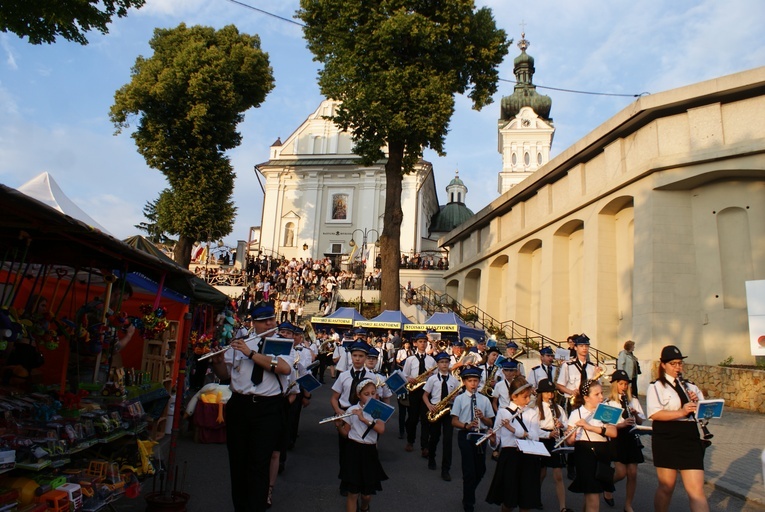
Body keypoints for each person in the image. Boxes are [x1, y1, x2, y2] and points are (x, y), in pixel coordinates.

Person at [210, 302, 291, 512]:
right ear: (253, 323)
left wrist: (251, 354)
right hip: (240, 405)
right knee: (237, 462)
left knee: (259, 464)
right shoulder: (240, 343)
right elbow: (224, 376)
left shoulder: (282, 343)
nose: (269, 324)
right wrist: (217, 361)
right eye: (264, 321)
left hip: (267, 408)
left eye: (271, 320)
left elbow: (283, 368)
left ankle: (256, 508)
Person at [646, 345, 710, 512]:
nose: (677, 367)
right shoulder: (656, 387)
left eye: (680, 363)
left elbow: (703, 415)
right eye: (673, 364)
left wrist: (698, 404)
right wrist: (681, 411)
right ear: (663, 365)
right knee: (667, 487)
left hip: (689, 435)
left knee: (696, 491)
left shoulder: (691, 386)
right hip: (666, 436)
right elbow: (654, 414)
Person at [485, 376, 541, 512]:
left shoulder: (532, 413)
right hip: (510, 457)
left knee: (525, 501)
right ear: (514, 396)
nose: (528, 400)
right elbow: (498, 440)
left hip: (528, 456)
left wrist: (514, 430)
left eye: (529, 397)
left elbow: (535, 437)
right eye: (525, 397)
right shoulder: (503, 412)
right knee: (508, 500)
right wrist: (492, 440)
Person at [335, 379, 388, 512]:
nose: (371, 396)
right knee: (352, 493)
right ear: (359, 395)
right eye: (366, 394)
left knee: (366, 495)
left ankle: (364, 507)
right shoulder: (352, 409)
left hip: (369, 451)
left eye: (373, 393)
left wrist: (364, 419)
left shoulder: (378, 409)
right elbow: (345, 434)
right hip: (353, 450)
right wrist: (339, 426)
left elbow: (381, 429)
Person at [565, 378, 617, 512]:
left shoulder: (605, 410)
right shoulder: (576, 413)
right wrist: (570, 436)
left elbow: (613, 432)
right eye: (597, 394)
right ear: (586, 398)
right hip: (585, 454)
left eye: (601, 393)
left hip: (603, 453)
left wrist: (590, 427)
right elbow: (569, 441)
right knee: (593, 497)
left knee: (594, 495)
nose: (601, 397)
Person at [330, 341, 373, 496]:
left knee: (362, 451)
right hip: (346, 415)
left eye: (361, 356)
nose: (357, 359)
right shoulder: (344, 376)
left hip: (363, 417)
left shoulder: (372, 377)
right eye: (354, 355)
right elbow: (334, 398)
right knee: (345, 450)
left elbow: (375, 400)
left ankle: (361, 482)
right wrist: (338, 411)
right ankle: (345, 481)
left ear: (366, 357)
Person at [450, 366, 495, 512]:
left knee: (480, 470)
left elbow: (491, 422)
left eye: (476, 381)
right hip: (466, 435)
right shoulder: (460, 399)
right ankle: (469, 502)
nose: (473, 384)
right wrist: (466, 425)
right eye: (470, 381)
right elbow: (453, 421)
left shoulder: (484, 399)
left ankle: (468, 492)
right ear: (464, 382)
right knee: (469, 470)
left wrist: (482, 417)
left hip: (480, 434)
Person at [604, 370, 645, 512]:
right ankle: (607, 486)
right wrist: (621, 423)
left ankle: (628, 505)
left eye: (626, 384)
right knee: (621, 473)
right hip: (618, 437)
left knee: (633, 473)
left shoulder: (633, 400)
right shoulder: (609, 403)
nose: (624, 387)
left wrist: (635, 414)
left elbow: (640, 421)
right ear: (615, 385)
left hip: (632, 437)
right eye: (621, 384)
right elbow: (606, 425)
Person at [535, 379, 573, 512]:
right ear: (541, 393)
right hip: (541, 439)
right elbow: (533, 429)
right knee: (542, 472)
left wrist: (561, 426)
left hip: (554, 440)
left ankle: (562, 507)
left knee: (558, 474)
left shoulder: (558, 408)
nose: (550, 395)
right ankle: (536, 496)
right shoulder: (535, 409)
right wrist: (547, 435)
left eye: (551, 392)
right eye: (547, 392)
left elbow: (567, 424)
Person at [422, 352, 460, 481]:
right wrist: (429, 406)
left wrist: (455, 398)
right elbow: (425, 395)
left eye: (446, 362)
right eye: (442, 362)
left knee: (448, 440)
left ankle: (446, 469)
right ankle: (431, 457)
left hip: (448, 410)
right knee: (434, 437)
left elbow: (457, 398)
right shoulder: (432, 379)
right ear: (437, 364)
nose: (444, 364)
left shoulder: (454, 381)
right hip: (435, 409)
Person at [402, 333, 436, 456]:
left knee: (425, 419)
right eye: (420, 342)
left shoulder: (431, 360)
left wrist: (431, 377)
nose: (423, 344)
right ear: (415, 343)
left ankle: (424, 446)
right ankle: (410, 441)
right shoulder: (410, 359)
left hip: (426, 391)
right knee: (413, 418)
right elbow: (404, 375)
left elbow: (435, 376)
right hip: (414, 391)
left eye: (424, 342)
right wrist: (409, 379)